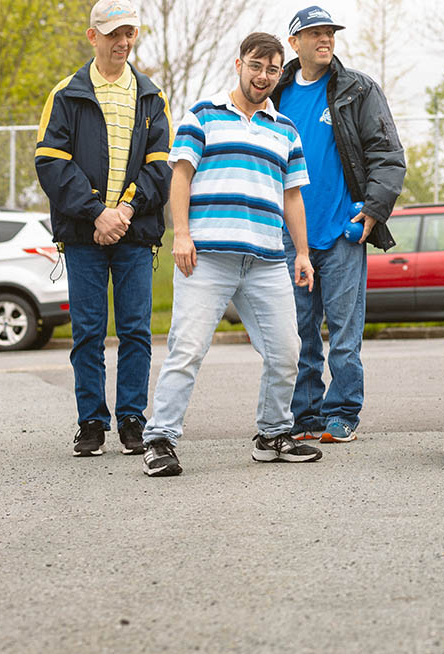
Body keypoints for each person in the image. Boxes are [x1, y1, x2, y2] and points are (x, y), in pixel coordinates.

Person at [141, 32, 323, 477]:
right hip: (206, 258)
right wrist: (180, 235)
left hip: (265, 260)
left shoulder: (285, 129)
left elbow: (293, 197)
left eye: (273, 69)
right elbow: (179, 178)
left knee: (287, 351)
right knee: (187, 349)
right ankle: (160, 440)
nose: (263, 76)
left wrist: (301, 253)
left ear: (281, 73)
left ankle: (273, 434)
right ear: (238, 64)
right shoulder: (202, 115)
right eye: (256, 65)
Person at [34, 0, 172, 457]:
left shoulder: (152, 96)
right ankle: (91, 422)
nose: (123, 41)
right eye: (113, 33)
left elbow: (159, 166)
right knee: (88, 332)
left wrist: (124, 212)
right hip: (84, 235)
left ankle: (133, 418)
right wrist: (96, 214)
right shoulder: (66, 94)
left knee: (135, 330)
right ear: (93, 36)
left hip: (133, 233)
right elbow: (51, 164)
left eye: (129, 32)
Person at [270, 5, 406, 444]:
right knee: (300, 335)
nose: (324, 39)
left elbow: (388, 155)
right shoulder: (276, 93)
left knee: (344, 336)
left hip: (342, 235)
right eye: (314, 33)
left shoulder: (357, 89)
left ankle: (342, 412)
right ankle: (305, 415)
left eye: (329, 32)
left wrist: (373, 209)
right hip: (291, 240)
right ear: (295, 43)